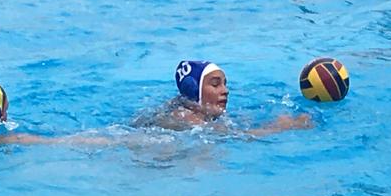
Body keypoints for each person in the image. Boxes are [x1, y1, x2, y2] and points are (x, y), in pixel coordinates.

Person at [133, 60, 312, 136]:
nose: (225, 90)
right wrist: (283, 126)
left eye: (225, 84)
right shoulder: (187, 118)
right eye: (215, 84)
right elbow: (238, 137)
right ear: (193, 90)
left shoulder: (184, 109)